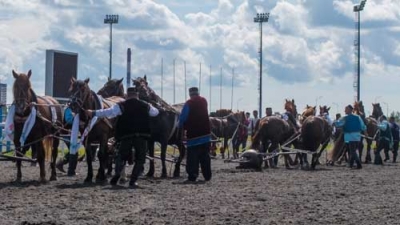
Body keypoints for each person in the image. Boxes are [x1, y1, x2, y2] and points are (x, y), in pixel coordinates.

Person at [86, 87, 159, 188]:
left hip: (126, 135)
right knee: (140, 159)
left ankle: (117, 174)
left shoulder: (121, 105)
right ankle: (133, 181)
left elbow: (108, 112)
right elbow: (155, 112)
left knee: (121, 156)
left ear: (127, 95)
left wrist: (93, 112)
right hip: (142, 136)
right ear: (137, 95)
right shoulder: (145, 105)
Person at [179, 87, 212, 183]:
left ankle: (192, 176)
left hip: (194, 135)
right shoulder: (204, 101)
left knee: (193, 157)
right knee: (205, 156)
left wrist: (179, 125)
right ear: (198, 93)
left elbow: (183, 118)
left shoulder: (189, 103)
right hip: (206, 135)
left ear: (190, 94)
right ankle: (207, 175)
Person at [334, 105, 366, 169]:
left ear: (350, 110)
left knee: (352, 151)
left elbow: (338, 124)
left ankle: (359, 164)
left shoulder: (344, 117)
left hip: (350, 136)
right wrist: (365, 132)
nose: (345, 110)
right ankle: (351, 165)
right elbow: (363, 126)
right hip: (357, 136)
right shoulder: (358, 117)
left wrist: (333, 123)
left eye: (346, 109)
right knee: (353, 150)